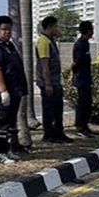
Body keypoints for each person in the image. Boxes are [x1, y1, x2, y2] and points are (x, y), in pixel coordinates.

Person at [0, 16, 28, 164]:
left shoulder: (9, 46)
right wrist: (3, 91)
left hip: (14, 90)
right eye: (4, 29)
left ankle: (6, 149)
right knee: (0, 123)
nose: (7, 32)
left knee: (9, 123)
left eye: (9, 29)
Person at [36, 16, 73, 144]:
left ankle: (59, 133)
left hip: (56, 81)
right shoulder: (43, 41)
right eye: (56, 26)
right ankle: (49, 134)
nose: (57, 29)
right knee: (49, 110)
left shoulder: (50, 41)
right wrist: (48, 83)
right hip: (49, 82)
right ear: (50, 27)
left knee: (57, 109)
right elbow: (44, 64)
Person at [72, 21, 97, 138]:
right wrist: (74, 75)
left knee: (87, 103)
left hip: (86, 78)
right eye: (91, 30)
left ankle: (85, 125)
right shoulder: (80, 44)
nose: (93, 32)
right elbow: (76, 62)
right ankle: (80, 127)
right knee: (82, 103)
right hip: (81, 78)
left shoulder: (86, 43)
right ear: (88, 31)